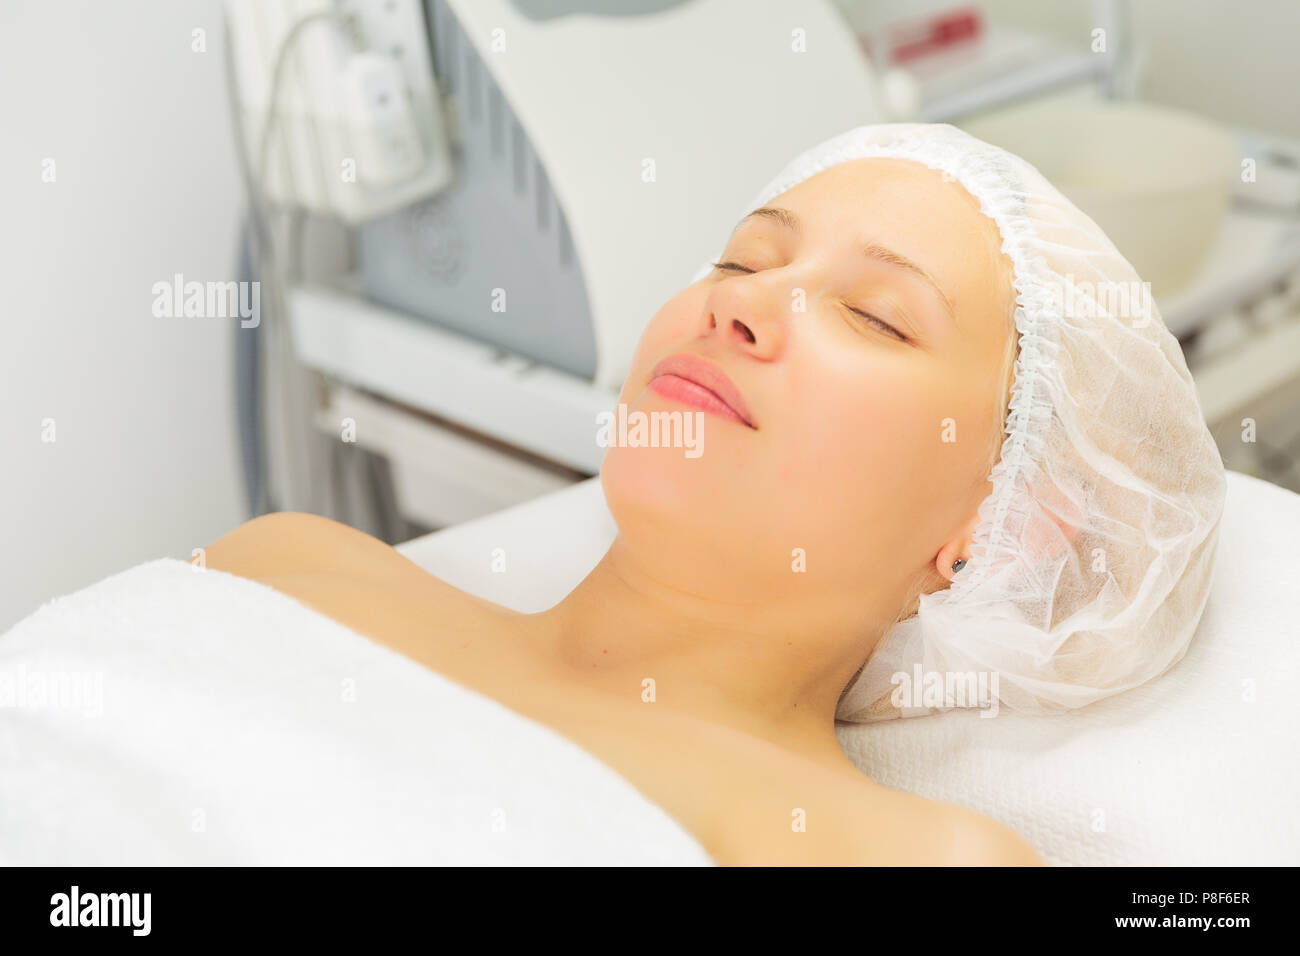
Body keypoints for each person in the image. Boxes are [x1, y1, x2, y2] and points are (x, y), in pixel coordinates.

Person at [203, 123, 1226, 866]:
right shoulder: (288, 566)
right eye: (741, 258)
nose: (737, 299)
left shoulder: (910, 859)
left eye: (876, 317)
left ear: (994, 525)